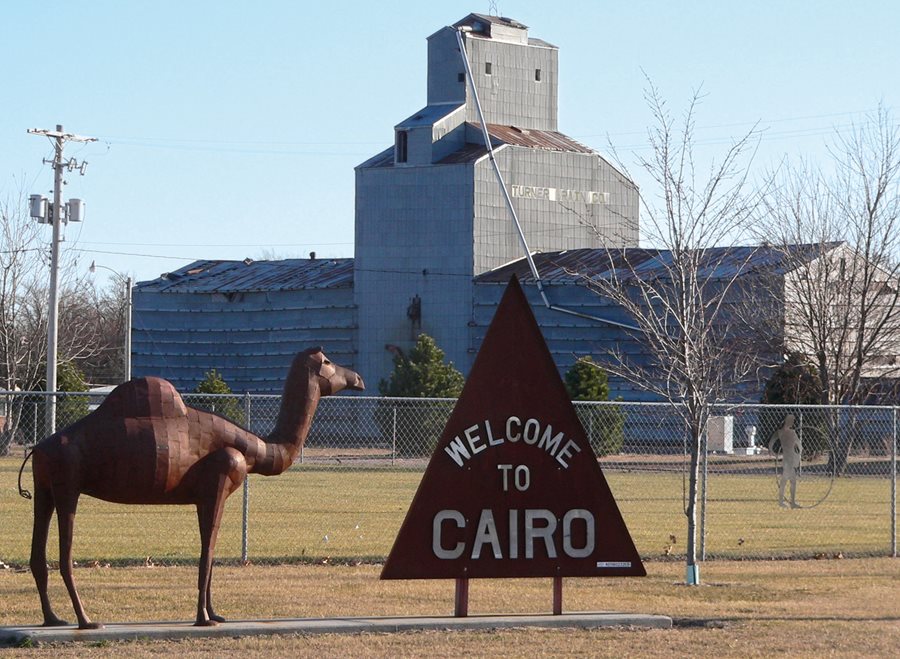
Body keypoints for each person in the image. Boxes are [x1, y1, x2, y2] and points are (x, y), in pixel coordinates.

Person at [768, 414, 802, 508]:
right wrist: (773, 453)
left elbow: (770, 444)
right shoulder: (786, 433)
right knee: (789, 480)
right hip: (788, 458)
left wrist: (773, 452)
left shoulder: (784, 432)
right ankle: (788, 502)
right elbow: (799, 446)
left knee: (787, 480)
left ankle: (787, 501)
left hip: (789, 457)